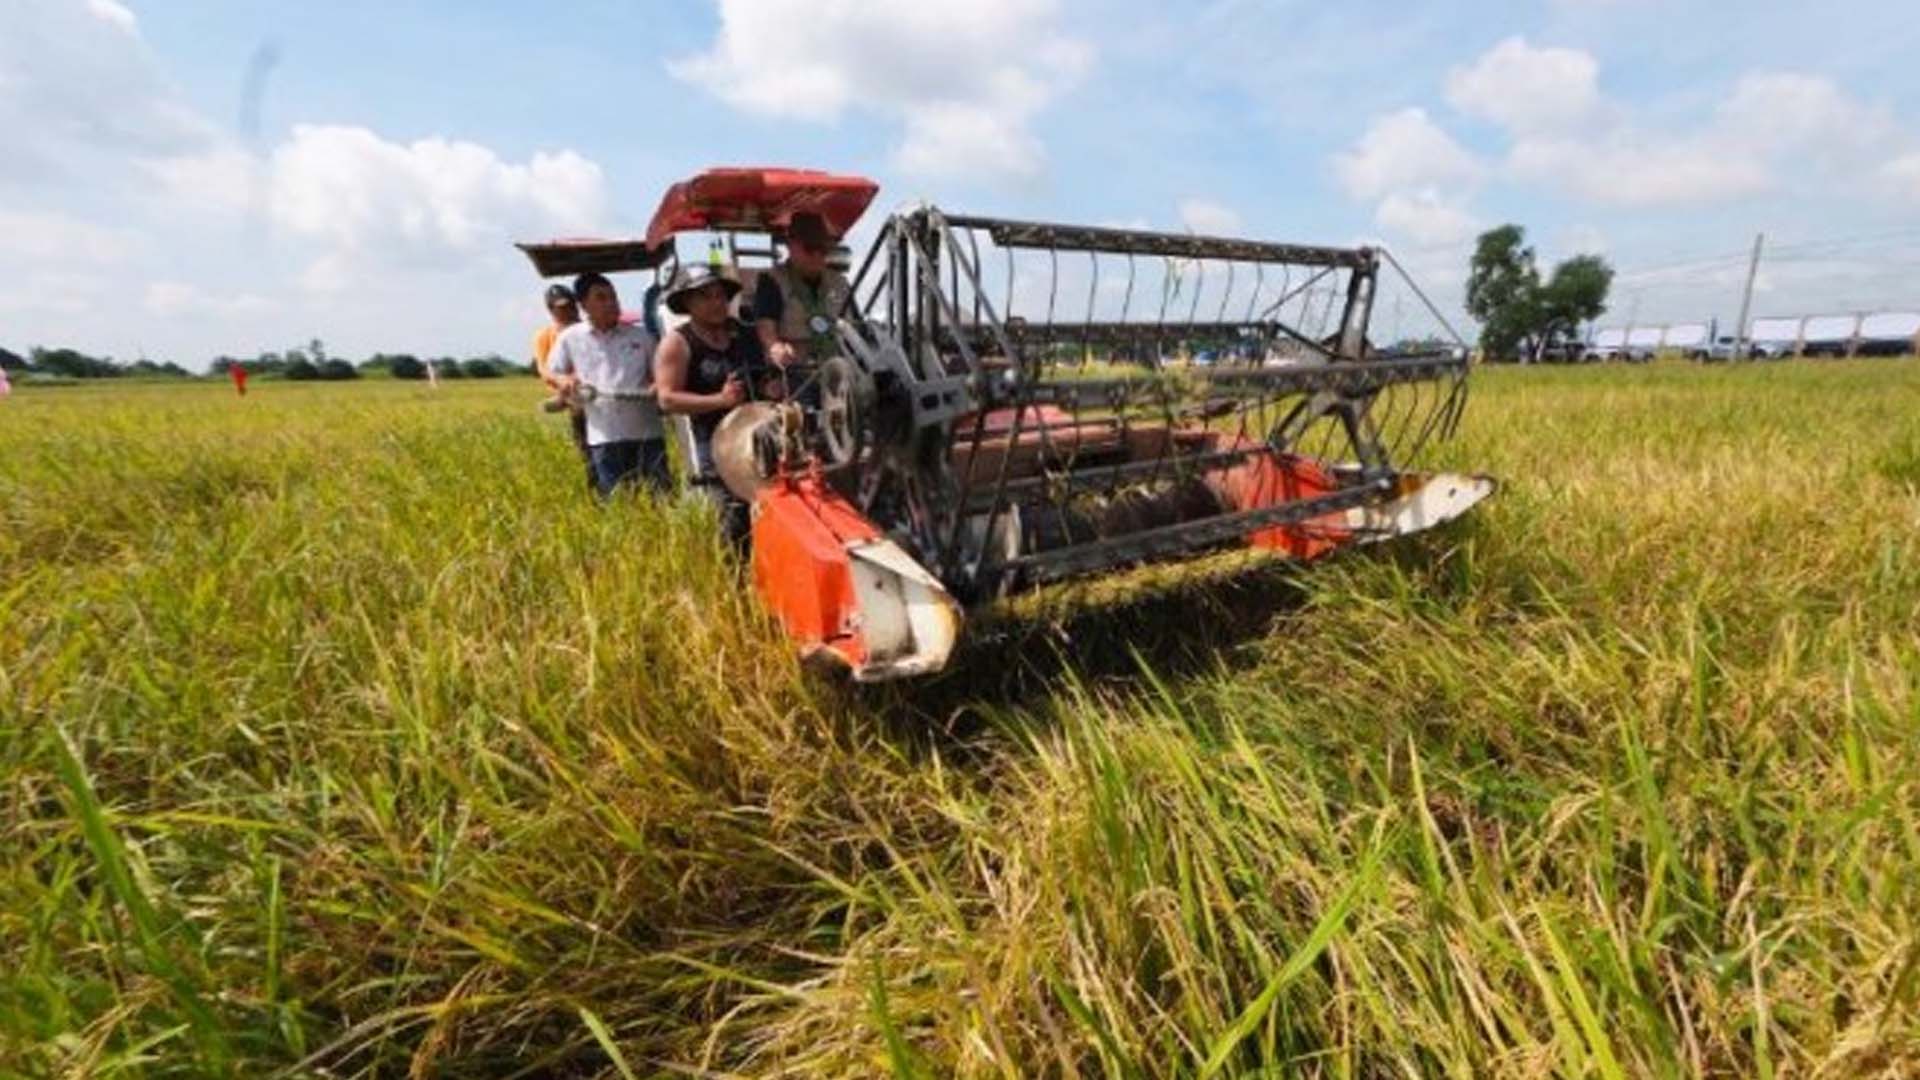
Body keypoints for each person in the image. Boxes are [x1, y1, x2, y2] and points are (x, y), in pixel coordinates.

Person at [654, 264, 769, 543]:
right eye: (705, 296)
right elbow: (667, 398)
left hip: (759, 434)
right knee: (732, 519)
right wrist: (719, 400)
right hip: (717, 443)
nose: (716, 302)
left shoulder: (744, 333)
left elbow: (762, 373)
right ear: (687, 303)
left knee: (770, 510)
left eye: (720, 295)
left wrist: (768, 386)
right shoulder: (678, 343)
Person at [546, 271, 668, 499]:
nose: (611, 303)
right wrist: (565, 381)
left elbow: (661, 373)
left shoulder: (641, 337)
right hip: (603, 436)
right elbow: (553, 371)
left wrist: (658, 386)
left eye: (613, 297)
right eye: (601, 298)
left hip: (647, 434)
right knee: (616, 502)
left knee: (659, 498)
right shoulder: (570, 338)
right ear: (584, 305)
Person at [752, 210, 850, 394]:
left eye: (823, 250)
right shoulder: (773, 280)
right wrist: (775, 347)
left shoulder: (840, 283)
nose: (817, 256)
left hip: (837, 371)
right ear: (791, 246)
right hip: (794, 373)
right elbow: (766, 329)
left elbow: (853, 328)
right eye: (810, 248)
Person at [530, 283, 593, 490]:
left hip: (597, 387)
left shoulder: (591, 328)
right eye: (561, 307)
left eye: (570, 305)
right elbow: (544, 368)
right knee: (586, 445)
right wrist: (562, 380)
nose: (567, 311)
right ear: (551, 310)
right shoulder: (545, 336)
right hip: (572, 393)